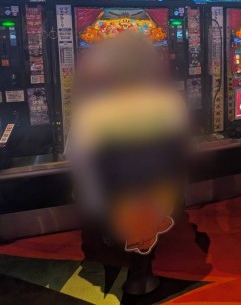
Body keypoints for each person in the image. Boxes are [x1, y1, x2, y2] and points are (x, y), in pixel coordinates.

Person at [65, 31, 189, 295]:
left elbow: (74, 156)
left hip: (114, 204)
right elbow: (181, 151)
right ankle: (141, 264)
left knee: (87, 187)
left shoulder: (94, 109)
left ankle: (121, 247)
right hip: (164, 201)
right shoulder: (171, 102)